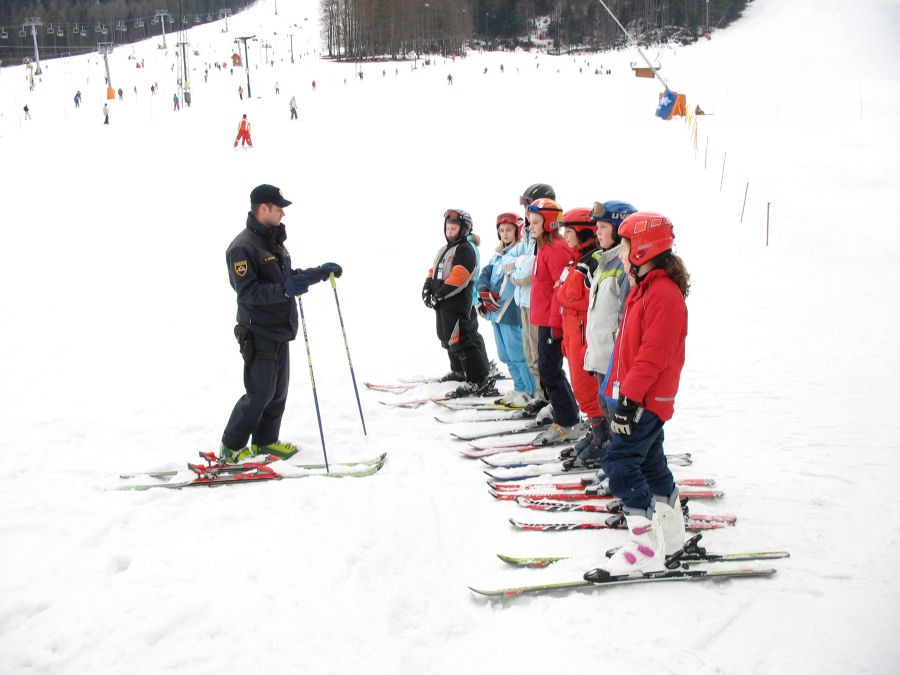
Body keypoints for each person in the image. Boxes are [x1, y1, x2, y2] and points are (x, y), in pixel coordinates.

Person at [584, 211, 690, 581]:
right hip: (638, 397)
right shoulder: (646, 289)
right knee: (650, 465)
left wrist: (628, 400)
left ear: (644, 249)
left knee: (620, 464)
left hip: (644, 400)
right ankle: (673, 539)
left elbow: (653, 355)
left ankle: (644, 547)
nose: (623, 251)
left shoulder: (662, 294)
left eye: (626, 244)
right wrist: (616, 392)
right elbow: (629, 351)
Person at [221, 184, 343, 464]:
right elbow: (248, 292)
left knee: (278, 392)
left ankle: (265, 442)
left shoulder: (273, 242)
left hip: (279, 329)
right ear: (263, 208)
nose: (283, 214)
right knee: (259, 393)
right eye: (279, 208)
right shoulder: (242, 247)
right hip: (257, 329)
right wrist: (285, 290)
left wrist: (318, 274)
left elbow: (287, 279)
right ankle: (231, 447)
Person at [566, 200, 638, 469]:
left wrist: (619, 353)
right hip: (600, 353)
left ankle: (623, 463)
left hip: (614, 356)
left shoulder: (622, 267)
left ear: (620, 230)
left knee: (617, 412)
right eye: (596, 226)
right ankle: (610, 451)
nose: (597, 231)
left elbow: (625, 318)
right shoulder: (604, 261)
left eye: (604, 226)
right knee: (604, 406)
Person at [525, 198, 582, 445]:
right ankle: (566, 414)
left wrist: (556, 325)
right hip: (543, 319)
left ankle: (568, 421)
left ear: (549, 223)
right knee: (548, 371)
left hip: (552, 322)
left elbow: (562, 289)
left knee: (550, 371)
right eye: (530, 222)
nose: (531, 227)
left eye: (536, 222)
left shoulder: (557, 249)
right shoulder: (543, 247)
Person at [422, 209, 495, 397]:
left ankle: (478, 379)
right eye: (448, 227)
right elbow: (434, 270)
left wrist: (440, 294)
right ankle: (459, 370)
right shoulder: (445, 249)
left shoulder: (465, 249)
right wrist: (427, 288)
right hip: (443, 304)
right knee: (446, 338)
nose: (450, 230)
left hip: (456, 303)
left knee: (462, 340)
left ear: (464, 229)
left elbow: (460, 277)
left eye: (454, 228)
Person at [554, 207, 607, 457]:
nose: (565, 236)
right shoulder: (576, 260)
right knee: (579, 385)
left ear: (584, 232)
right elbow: (563, 293)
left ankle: (603, 434)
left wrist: (565, 295)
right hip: (573, 330)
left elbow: (572, 295)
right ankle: (597, 429)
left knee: (587, 387)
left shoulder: (592, 261)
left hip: (585, 331)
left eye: (569, 231)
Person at [476, 213, 535, 405]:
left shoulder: (519, 250)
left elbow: (508, 280)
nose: (505, 234)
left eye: (509, 230)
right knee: (505, 355)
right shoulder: (498, 254)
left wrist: (493, 299)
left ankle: (530, 390)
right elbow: (485, 273)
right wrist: (483, 293)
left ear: (517, 230)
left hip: (509, 310)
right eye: (501, 231)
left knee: (517, 353)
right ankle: (519, 388)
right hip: (495, 313)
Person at [508, 183, 557, 413]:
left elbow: (528, 268)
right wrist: (515, 266)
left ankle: (551, 400)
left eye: (529, 206)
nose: (526, 212)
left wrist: (515, 270)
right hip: (525, 302)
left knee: (541, 357)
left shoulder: (546, 236)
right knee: (530, 354)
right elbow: (512, 258)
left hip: (539, 304)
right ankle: (542, 395)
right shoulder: (528, 233)